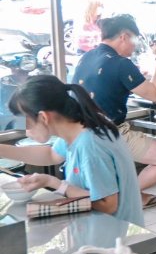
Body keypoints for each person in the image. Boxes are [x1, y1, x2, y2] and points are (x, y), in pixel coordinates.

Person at [6, 75, 143, 225]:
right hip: (104, 230)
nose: (26, 131)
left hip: (116, 237)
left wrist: (55, 183)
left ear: (44, 117)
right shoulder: (80, 125)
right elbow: (51, 155)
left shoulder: (89, 144)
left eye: (26, 123)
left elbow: (107, 205)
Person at [72, 14, 156, 208]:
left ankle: (128, 195)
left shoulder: (86, 57)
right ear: (124, 36)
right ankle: (126, 196)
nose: (134, 46)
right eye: (134, 40)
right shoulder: (120, 63)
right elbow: (154, 95)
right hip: (109, 132)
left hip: (82, 130)